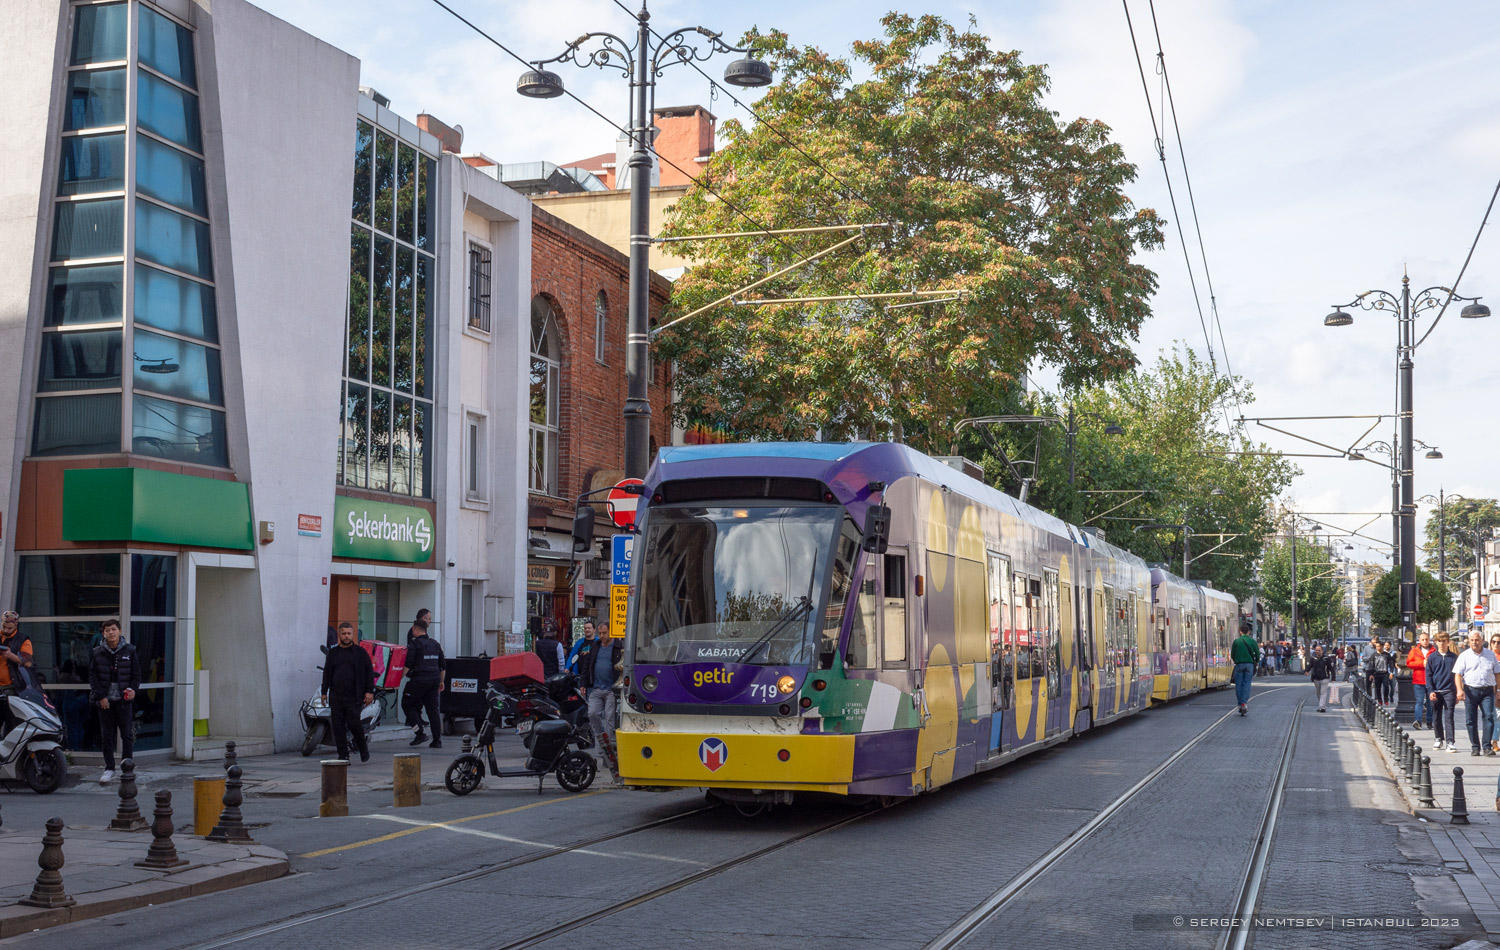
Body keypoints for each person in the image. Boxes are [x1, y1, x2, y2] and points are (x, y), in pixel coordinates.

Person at [87, 619, 140, 784]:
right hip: (105, 701)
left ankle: (127, 767)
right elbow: (93, 678)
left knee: (127, 735)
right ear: (103, 633)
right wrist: (101, 697)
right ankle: (109, 768)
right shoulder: (97, 652)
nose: (111, 632)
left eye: (114, 629)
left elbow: (136, 675)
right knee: (107, 736)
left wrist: (132, 690)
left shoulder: (130, 650)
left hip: (123, 701)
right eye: (107, 630)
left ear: (120, 631)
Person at [576, 618, 623, 784]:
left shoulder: (618, 646)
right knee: (593, 714)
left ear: (610, 632)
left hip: (611, 689)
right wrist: (583, 683)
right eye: (601, 633)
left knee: (610, 717)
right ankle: (602, 740)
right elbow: (587, 665)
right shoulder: (595, 646)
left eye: (605, 633)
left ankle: (608, 749)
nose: (602, 636)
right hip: (596, 688)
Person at [321, 621, 374, 763]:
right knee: (337, 726)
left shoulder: (360, 652)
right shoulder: (333, 653)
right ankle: (343, 755)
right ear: (339, 635)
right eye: (344, 633)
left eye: (349, 634)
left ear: (353, 635)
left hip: (354, 696)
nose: (346, 636)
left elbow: (369, 672)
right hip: (336, 696)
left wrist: (369, 691)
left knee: (354, 723)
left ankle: (363, 749)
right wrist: (324, 692)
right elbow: (327, 673)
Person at [401, 609, 445, 748]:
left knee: (407, 704)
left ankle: (419, 732)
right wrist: (441, 681)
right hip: (433, 680)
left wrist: (396, 680)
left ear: (415, 630)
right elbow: (443, 666)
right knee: (433, 710)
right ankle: (437, 740)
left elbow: (407, 666)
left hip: (418, 680)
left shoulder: (414, 644)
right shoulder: (435, 644)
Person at [1454, 629, 1497, 756]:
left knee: (1489, 717)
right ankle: (1475, 746)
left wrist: (1498, 689)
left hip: (1487, 690)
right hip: (1471, 690)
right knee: (1470, 720)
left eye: (1477, 640)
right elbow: (1458, 674)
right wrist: (1459, 690)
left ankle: (1487, 746)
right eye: (1472, 640)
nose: (1474, 642)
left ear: (1482, 641)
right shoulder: (1464, 656)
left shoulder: (1490, 655)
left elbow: (1497, 673)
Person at [1428, 633, 1460, 751]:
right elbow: (1429, 675)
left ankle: (1450, 741)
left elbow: (1458, 675)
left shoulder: (1454, 658)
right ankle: (1438, 738)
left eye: (1444, 641)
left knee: (1449, 716)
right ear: (1436, 642)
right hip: (1436, 691)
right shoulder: (1432, 657)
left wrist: (1458, 692)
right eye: (1439, 641)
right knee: (1436, 716)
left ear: (1448, 642)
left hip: (1449, 691)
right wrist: (1431, 690)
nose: (1442, 643)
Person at [1230, 620, 1259, 716]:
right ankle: (1244, 703)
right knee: (1246, 684)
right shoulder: (1252, 641)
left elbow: (1232, 654)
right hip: (1249, 664)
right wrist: (1256, 661)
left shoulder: (1236, 641)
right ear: (1249, 632)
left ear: (1240, 631)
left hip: (1239, 664)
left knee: (1238, 685)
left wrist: (1236, 660)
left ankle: (1239, 704)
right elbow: (1257, 654)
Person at [1408, 632, 1434, 729]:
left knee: (1430, 702)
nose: (1425, 641)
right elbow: (1409, 663)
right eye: (1423, 639)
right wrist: (1421, 663)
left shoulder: (1433, 650)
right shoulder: (1414, 651)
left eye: (1426, 639)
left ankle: (1430, 722)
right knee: (1419, 701)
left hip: (1430, 680)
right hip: (1418, 680)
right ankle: (1418, 721)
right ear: (1419, 640)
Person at [1307, 643, 1336, 712]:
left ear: (1322, 651)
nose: (1317, 652)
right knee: (1318, 692)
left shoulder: (1326, 659)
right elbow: (1309, 666)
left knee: (1323, 692)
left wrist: (1333, 678)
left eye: (1319, 650)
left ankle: (1322, 707)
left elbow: (1331, 668)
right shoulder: (1313, 659)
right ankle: (1321, 705)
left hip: (1324, 677)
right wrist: (1306, 671)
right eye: (1316, 650)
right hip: (1316, 678)